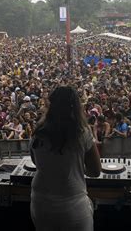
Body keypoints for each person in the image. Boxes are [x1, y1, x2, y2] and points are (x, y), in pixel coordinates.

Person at [29, 86, 101, 231]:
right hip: (73, 205)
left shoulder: (38, 132)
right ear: (75, 106)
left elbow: (36, 162)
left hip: (40, 203)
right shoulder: (82, 133)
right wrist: (78, 168)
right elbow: (95, 171)